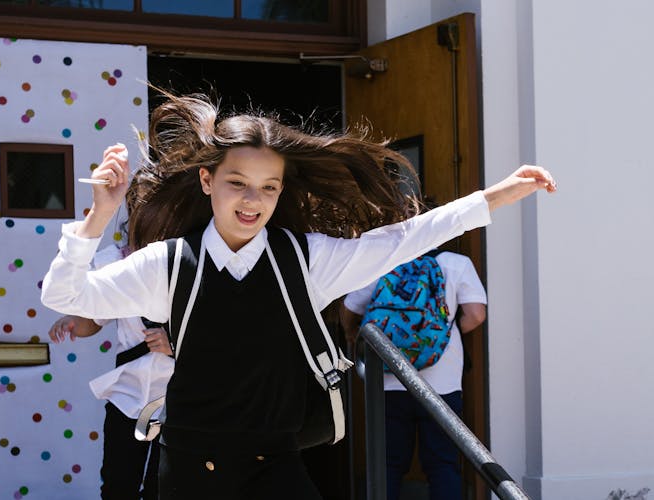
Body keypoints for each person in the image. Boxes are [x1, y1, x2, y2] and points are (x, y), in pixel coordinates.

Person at [40, 89, 556, 500]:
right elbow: (68, 295)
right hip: (194, 471)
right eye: (237, 182)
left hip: (278, 466)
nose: (252, 200)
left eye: (268, 187)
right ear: (206, 181)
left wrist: (495, 196)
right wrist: (99, 215)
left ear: (282, 191)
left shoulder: (305, 259)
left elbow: (399, 241)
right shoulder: (168, 264)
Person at [341, 200, 488, 500]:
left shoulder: (385, 262)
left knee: (388, 465)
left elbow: (349, 306)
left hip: (389, 381)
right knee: (443, 463)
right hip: (442, 384)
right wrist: (444, 334)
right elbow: (476, 314)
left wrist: (351, 334)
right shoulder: (455, 263)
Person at [47, 169, 174, 500]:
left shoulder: (185, 259)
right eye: (142, 203)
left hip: (178, 393)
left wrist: (176, 345)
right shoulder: (114, 262)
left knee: (165, 485)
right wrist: (75, 321)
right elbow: (95, 320)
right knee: (118, 483)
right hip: (128, 392)